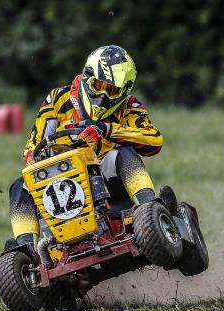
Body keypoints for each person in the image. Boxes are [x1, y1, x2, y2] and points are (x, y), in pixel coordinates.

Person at [9, 45, 165, 246]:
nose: (103, 95)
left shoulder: (130, 106)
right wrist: (32, 153)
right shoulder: (59, 98)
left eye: (112, 90)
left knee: (122, 154)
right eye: (98, 85)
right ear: (87, 76)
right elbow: (34, 142)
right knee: (20, 185)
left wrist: (107, 130)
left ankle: (149, 211)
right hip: (62, 178)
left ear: (124, 91)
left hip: (107, 177)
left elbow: (154, 139)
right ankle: (27, 249)